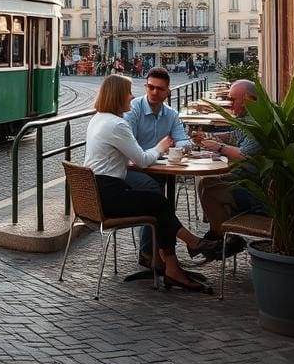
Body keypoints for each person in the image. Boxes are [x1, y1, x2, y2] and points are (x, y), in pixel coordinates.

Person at [84, 75, 221, 291]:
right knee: (160, 203)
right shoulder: (117, 125)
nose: (132, 96)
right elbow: (142, 160)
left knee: (158, 203)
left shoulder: (99, 119)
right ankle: (184, 251)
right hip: (109, 196)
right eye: (129, 91)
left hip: (96, 192)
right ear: (118, 95)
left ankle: (171, 262)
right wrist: (161, 146)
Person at [125, 66, 194, 267]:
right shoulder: (134, 109)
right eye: (151, 87)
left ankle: (160, 253)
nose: (155, 92)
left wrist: (183, 146)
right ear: (146, 87)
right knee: (157, 198)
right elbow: (128, 144)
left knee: (159, 197)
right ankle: (152, 252)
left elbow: (182, 139)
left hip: (157, 170)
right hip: (132, 169)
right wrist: (159, 149)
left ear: (168, 91)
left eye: (160, 89)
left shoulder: (171, 115)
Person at [192, 79, 266, 247]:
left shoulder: (258, 124)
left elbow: (244, 155)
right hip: (246, 179)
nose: (229, 104)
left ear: (248, 100)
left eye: (233, 100)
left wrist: (219, 147)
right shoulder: (249, 119)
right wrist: (209, 138)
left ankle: (224, 240)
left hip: (256, 191)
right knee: (206, 183)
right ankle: (222, 234)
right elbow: (234, 136)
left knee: (210, 188)